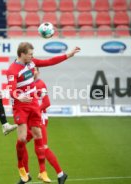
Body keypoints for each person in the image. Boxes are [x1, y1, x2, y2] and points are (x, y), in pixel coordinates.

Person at [6, 42, 80, 183]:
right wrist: (18, 95)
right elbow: (11, 89)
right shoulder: (13, 70)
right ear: (22, 54)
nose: (33, 56)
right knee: (22, 139)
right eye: (30, 54)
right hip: (21, 106)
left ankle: (43, 172)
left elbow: (50, 61)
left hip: (33, 105)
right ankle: (21, 167)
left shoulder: (32, 63)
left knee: (38, 135)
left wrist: (68, 55)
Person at [18, 67, 67, 184]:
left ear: (38, 72)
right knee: (22, 143)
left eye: (35, 70)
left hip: (39, 120)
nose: (32, 72)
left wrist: (35, 111)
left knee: (42, 147)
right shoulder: (26, 84)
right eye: (31, 70)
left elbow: (46, 102)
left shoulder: (40, 84)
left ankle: (60, 174)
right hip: (32, 120)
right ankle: (27, 175)